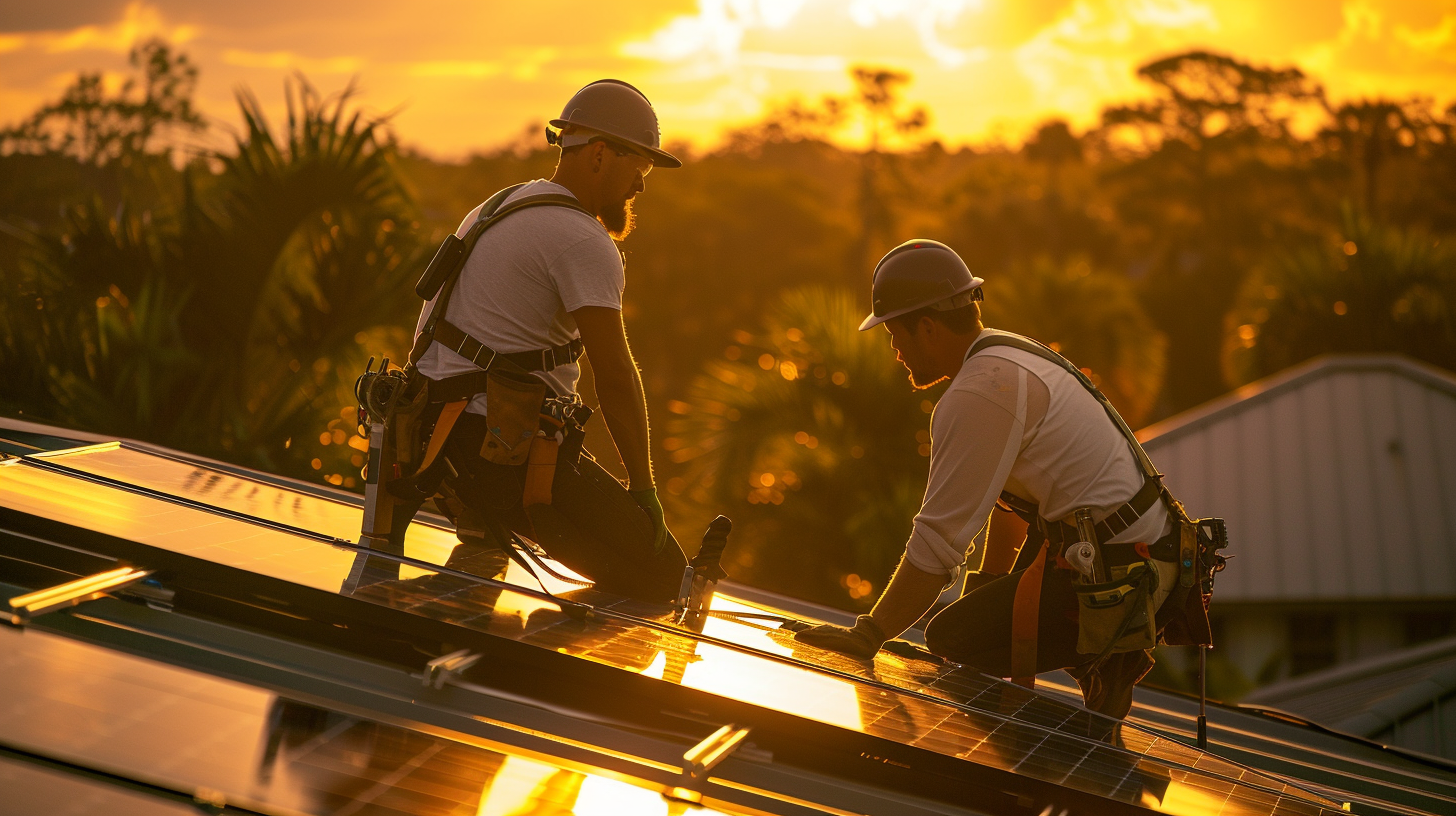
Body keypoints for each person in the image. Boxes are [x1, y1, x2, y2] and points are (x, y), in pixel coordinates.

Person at [795, 239, 1206, 718]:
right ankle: (1100, 669)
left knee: (953, 637)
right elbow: (1010, 508)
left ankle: (1099, 680)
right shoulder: (1010, 357)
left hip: (1121, 575)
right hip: (1138, 555)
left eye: (895, 335)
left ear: (927, 328)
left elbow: (938, 542)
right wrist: (987, 588)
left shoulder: (979, 393)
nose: (895, 350)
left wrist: (869, 634)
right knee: (971, 628)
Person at [406, 79, 687, 602]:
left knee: (493, 575)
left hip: (436, 437)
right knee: (662, 575)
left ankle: (477, 595)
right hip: (496, 451)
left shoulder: (502, 205)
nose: (641, 186)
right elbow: (616, 376)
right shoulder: (582, 239)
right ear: (600, 154)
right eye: (639, 169)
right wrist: (643, 490)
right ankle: (530, 663)